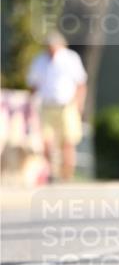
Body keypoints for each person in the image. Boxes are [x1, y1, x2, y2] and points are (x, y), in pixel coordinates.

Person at [27, 31, 87, 181]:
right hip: (47, 106)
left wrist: (79, 104)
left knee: (67, 141)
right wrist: (30, 105)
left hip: (66, 105)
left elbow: (80, 84)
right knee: (46, 141)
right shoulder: (40, 60)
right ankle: (51, 173)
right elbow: (33, 85)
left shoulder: (70, 58)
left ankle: (67, 175)